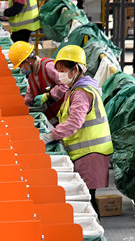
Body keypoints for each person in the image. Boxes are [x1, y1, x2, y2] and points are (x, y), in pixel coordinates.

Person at [39, 45, 112, 214]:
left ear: (76, 69)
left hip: (91, 153)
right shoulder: (74, 89)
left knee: (87, 200)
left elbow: (73, 123)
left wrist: (50, 136)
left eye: (63, 70)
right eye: (58, 70)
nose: (60, 75)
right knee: (87, 198)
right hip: (86, 151)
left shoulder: (81, 93)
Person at [9, 41, 68, 122]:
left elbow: (65, 85)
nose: (21, 69)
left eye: (21, 65)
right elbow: (29, 97)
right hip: (55, 119)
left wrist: (48, 95)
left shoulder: (48, 66)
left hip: (66, 114)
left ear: (27, 61)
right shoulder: (32, 76)